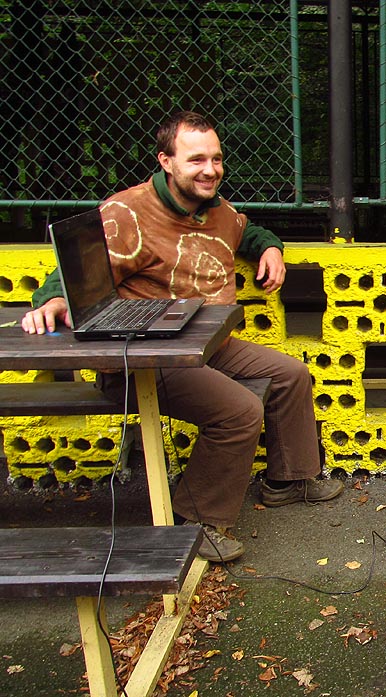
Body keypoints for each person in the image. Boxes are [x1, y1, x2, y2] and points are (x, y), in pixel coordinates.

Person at [21, 110, 344, 562]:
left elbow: (249, 230)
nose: (209, 170)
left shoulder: (217, 209)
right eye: (195, 160)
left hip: (209, 346)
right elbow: (76, 269)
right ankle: (196, 522)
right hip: (147, 360)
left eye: (215, 159)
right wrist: (53, 300)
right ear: (166, 161)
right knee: (239, 411)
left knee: (290, 374)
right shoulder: (126, 212)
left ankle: (287, 482)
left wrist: (271, 248)